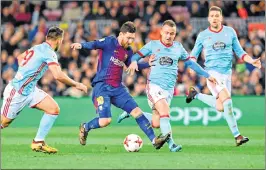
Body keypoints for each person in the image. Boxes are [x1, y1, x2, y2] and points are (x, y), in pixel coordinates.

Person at [117, 20, 217, 152]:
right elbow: (135, 57)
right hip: (154, 86)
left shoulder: (178, 47)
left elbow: (191, 64)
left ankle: (133, 112)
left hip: (169, 89)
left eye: (172, 33)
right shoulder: (152, 45)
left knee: (156, 123)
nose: (169, 36)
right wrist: (135, 62)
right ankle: (172, 145)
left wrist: (207, 75)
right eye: (166, 33)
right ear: (161, 32)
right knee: (165, 112)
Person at [70, 21, 170, 150]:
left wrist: (148, 63)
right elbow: (95, 44)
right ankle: (85, 127)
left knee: (137, 112)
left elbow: (131, 66)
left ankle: (154, 140)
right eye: (128, 38)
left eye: (132, 39)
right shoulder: (109, 42)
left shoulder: (128, 50)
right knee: (105, 121)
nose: (130, 41)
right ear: (121, 34)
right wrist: (81, 45)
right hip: (102, 87)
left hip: (118, 88)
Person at [1, 26, 88, 153]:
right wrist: (76, 84)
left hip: (30, 90)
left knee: (53, 109)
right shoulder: (49, 52)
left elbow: (20, 58)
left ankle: (38, 142)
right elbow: (58, 75)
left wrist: (26, 72)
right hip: (17, 92)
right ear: (59, 40)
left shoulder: (37, 47)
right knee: (4, 122)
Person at [185, 6, 261, 146]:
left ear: (221, 18)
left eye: (217, 15)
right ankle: (237, 136)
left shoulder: (230, 32)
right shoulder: (203, 35)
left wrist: (252, 60)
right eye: (212, 16)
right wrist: (192, 66)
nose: (214, 18)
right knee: (228, 101)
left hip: (227, 74)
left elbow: (239, 51)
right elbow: (194, 55)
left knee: (221, 106)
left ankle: (195, 95)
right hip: (212, 74)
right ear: (208, 19)